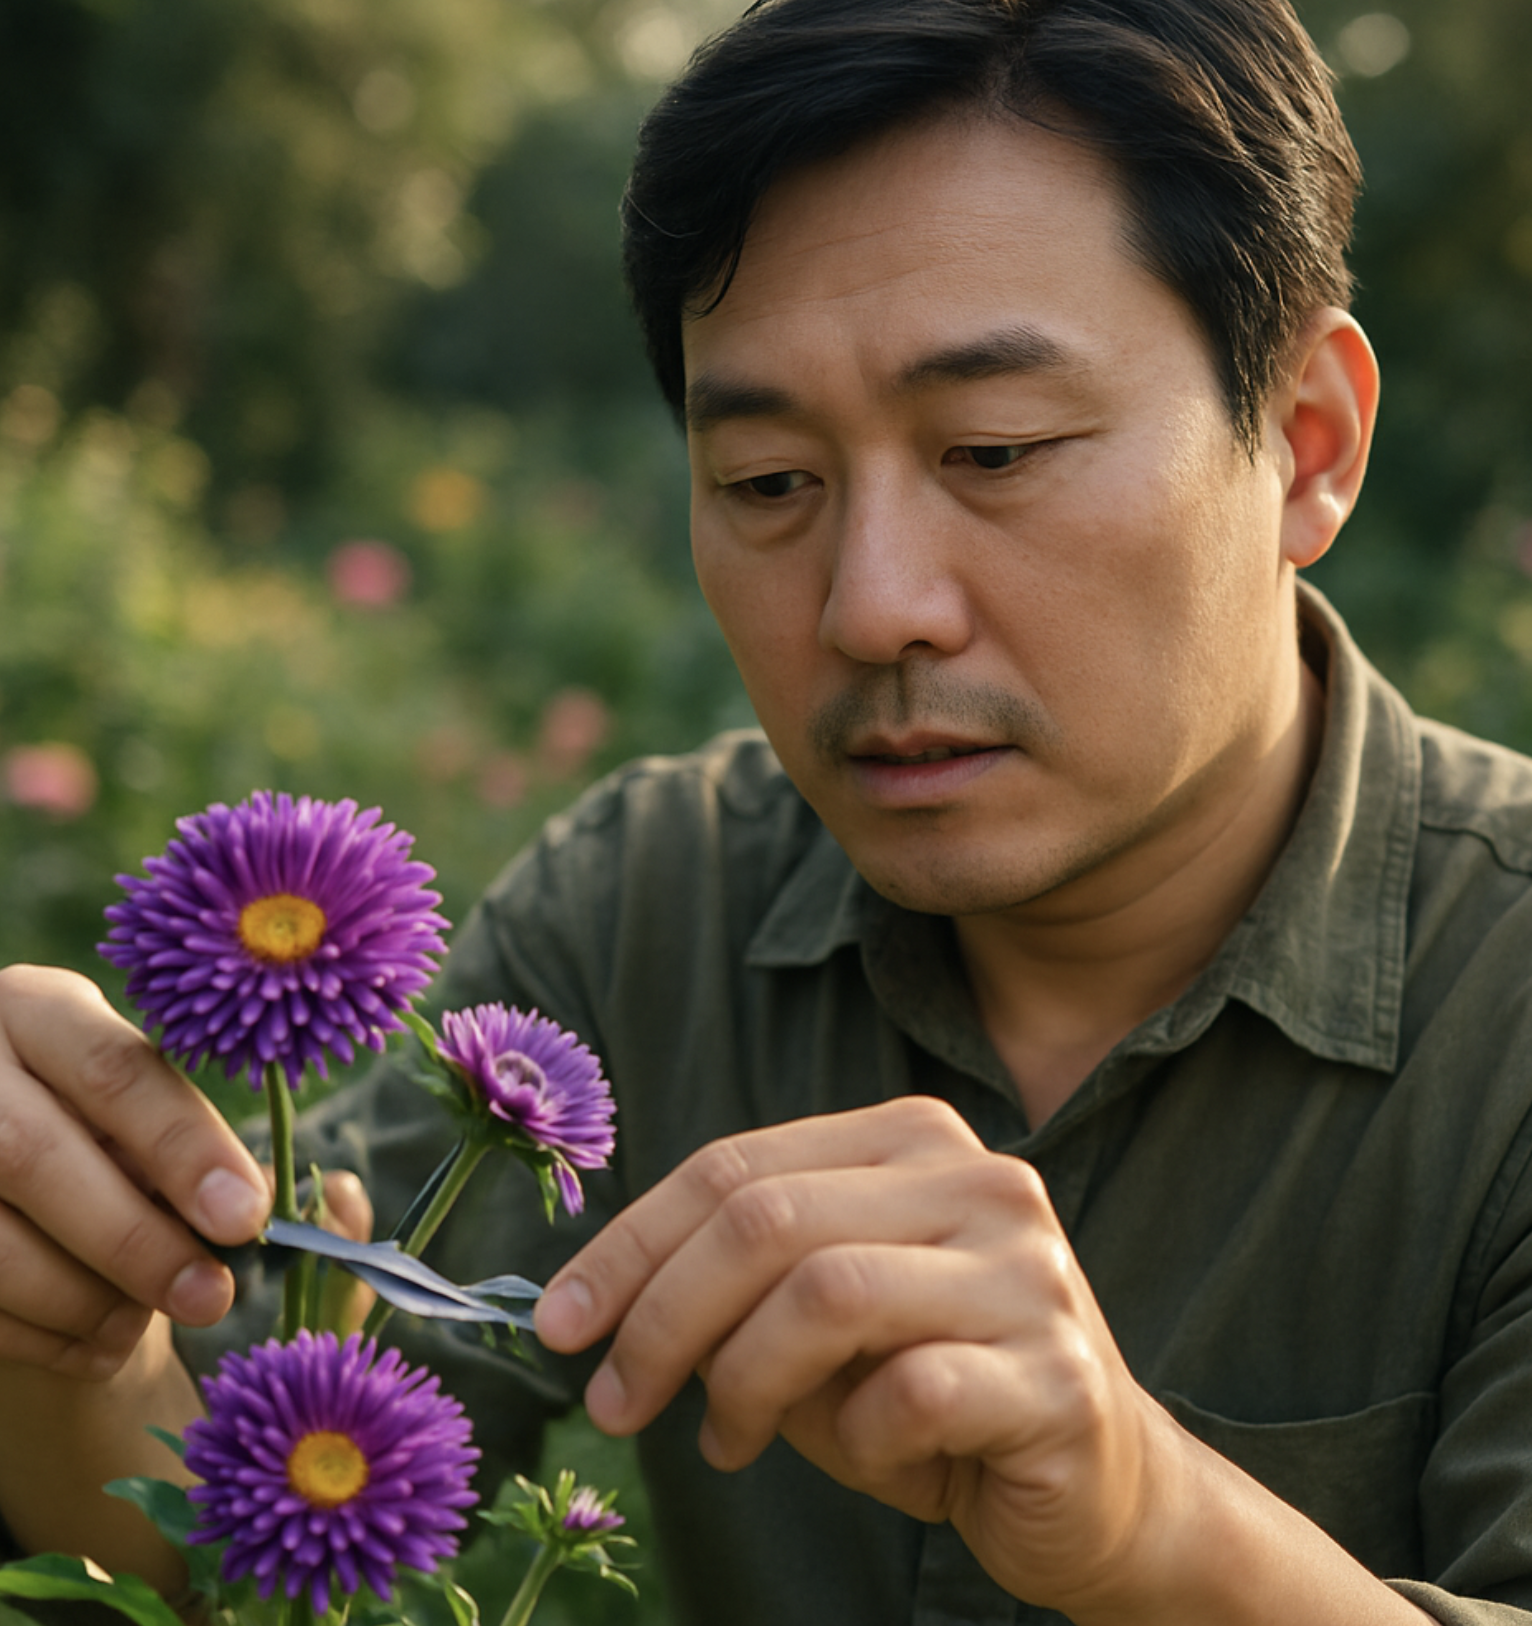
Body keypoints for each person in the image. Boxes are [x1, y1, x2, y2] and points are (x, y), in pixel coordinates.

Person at [3, 0, 1532, 1621]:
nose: (872, 608)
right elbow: (228, 1544)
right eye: (767, 482)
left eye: (996, 448)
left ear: (1306, 443)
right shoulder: (642, 911)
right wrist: (59, 1326)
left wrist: (1153, 1521)